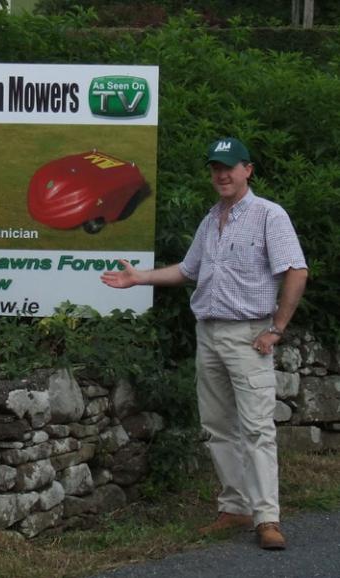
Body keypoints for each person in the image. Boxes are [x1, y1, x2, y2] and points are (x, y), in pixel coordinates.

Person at [100, 137, 308, 550]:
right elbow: (188, 270)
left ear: (248, 169)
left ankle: (267, 518)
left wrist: (277, 328)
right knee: (216, 427)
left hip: (250, 335)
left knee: (256, 429)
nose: (221, 174)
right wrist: (139, 277)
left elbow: (296, 271)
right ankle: (235, 507)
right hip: (209, 334)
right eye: (215, 167)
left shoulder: (269, 215)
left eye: (229, 167)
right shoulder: (212, 218)